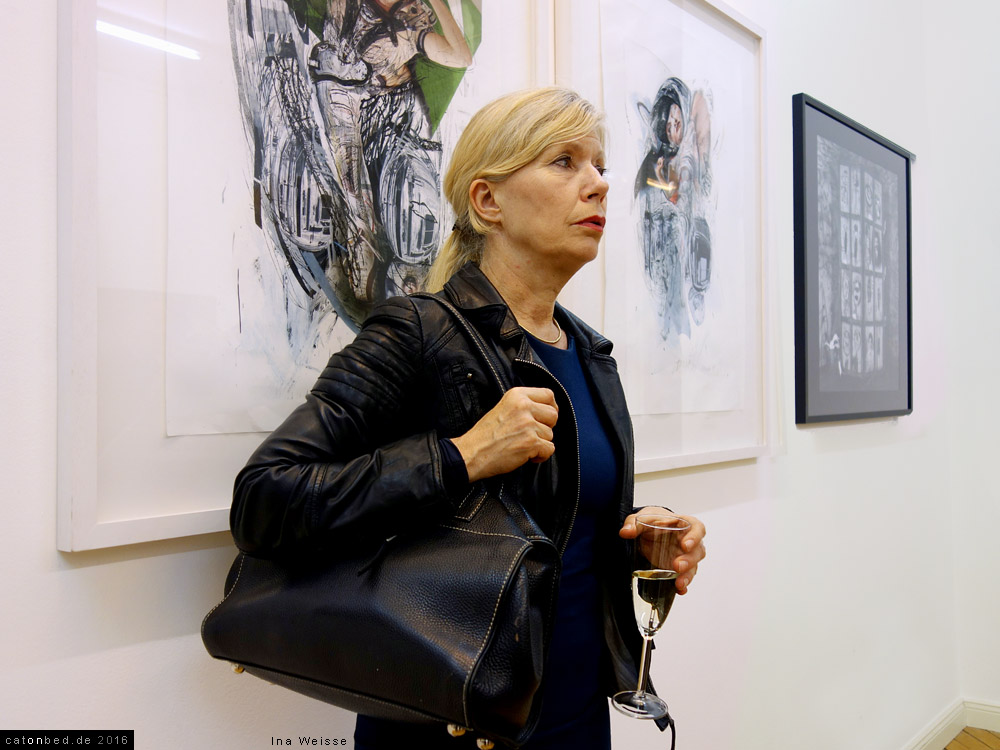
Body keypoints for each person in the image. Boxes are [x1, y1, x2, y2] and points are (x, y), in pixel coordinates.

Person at [230, 87, 707, 749]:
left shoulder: (589, 351)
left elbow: (537, 533)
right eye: (564, 162)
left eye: (598, 164)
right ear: (488, 202)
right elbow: (264, 501)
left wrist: (634, 539)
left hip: (574, 714)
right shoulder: (418, 333)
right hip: (449, 725)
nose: (598, 184)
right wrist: (460, 455)